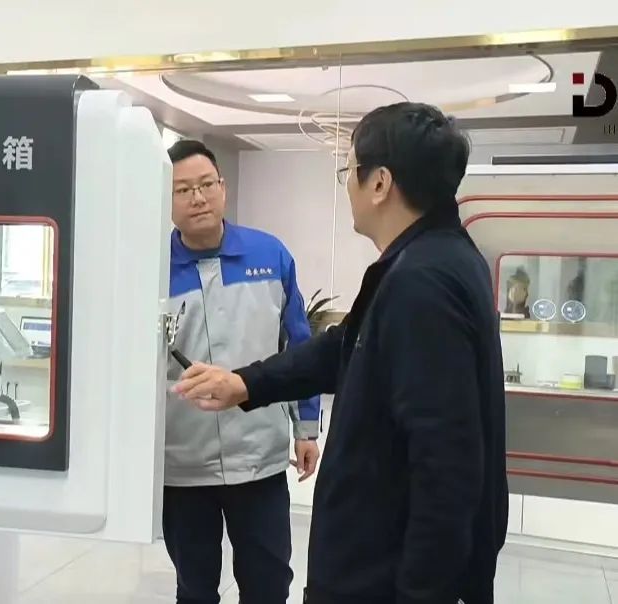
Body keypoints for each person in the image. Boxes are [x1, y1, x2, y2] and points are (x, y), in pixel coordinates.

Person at [173, 104, 509, 604]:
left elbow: (446, 468)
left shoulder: (422, 284)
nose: (346, 185)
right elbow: (343, 346)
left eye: (348, 170)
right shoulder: (429, 261)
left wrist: (421, 593)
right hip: (362, 559)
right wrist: (245, 383)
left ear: (380, 184)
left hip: (382, 578)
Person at [163, 139, 321, 604]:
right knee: (194, 589)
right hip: (182, 464)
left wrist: (306, 430)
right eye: (183, 189)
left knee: (268, 585)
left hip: (259, 459)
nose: (198, 198)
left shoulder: (269, 255)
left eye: (206, 184)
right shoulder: (148, 267)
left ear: (223, 187)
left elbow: (299, 348)